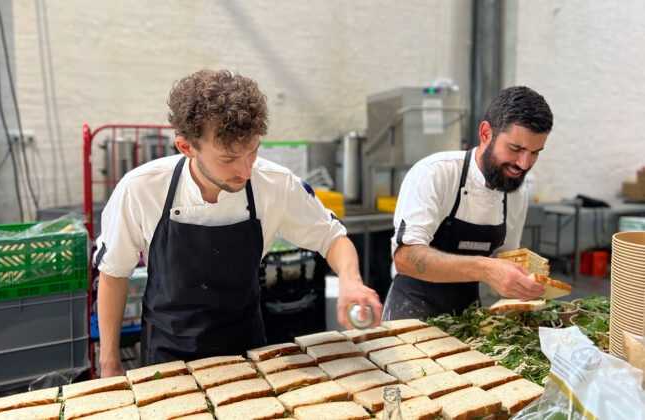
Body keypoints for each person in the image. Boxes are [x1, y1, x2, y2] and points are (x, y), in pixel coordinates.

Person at [95, 69, 382, 377]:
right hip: (167, 355)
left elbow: (332, 238)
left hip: (246, 352)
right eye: (228, 159)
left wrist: (351, 280)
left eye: (253, 152)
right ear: (187, 148)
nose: (245, 171)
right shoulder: (142, 188)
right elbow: (114, 273)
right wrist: (109, 362)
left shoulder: (274, 184)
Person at [382, 86, 553, 321]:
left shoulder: (515, 193)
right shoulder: (436, 173)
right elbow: (406, 258)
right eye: (516, 149)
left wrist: (525, 290)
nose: (524, 164)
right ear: (486, 133)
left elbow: (507, 259)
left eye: (535, 153)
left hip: (467, 317)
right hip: (411, 311)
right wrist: (484, 268)